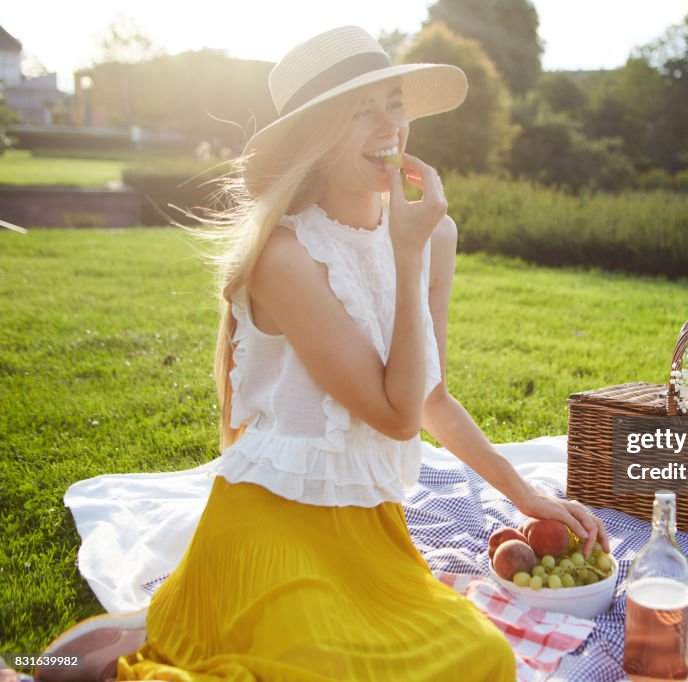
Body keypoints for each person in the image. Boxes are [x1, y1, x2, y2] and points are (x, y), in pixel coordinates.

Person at [36, 26, 608, 682]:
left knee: (482, 658)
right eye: (360, 110)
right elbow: (395, 418)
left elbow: (430, 399)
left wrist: (525, 494)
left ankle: (163, 619)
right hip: (270, 521)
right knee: (312, 670)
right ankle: (168, 619)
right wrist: (405, 249)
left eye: (394, 103)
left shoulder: (433, 234)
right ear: (313, 137)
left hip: (369, 532)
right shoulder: (286, 256)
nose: (389, 125)